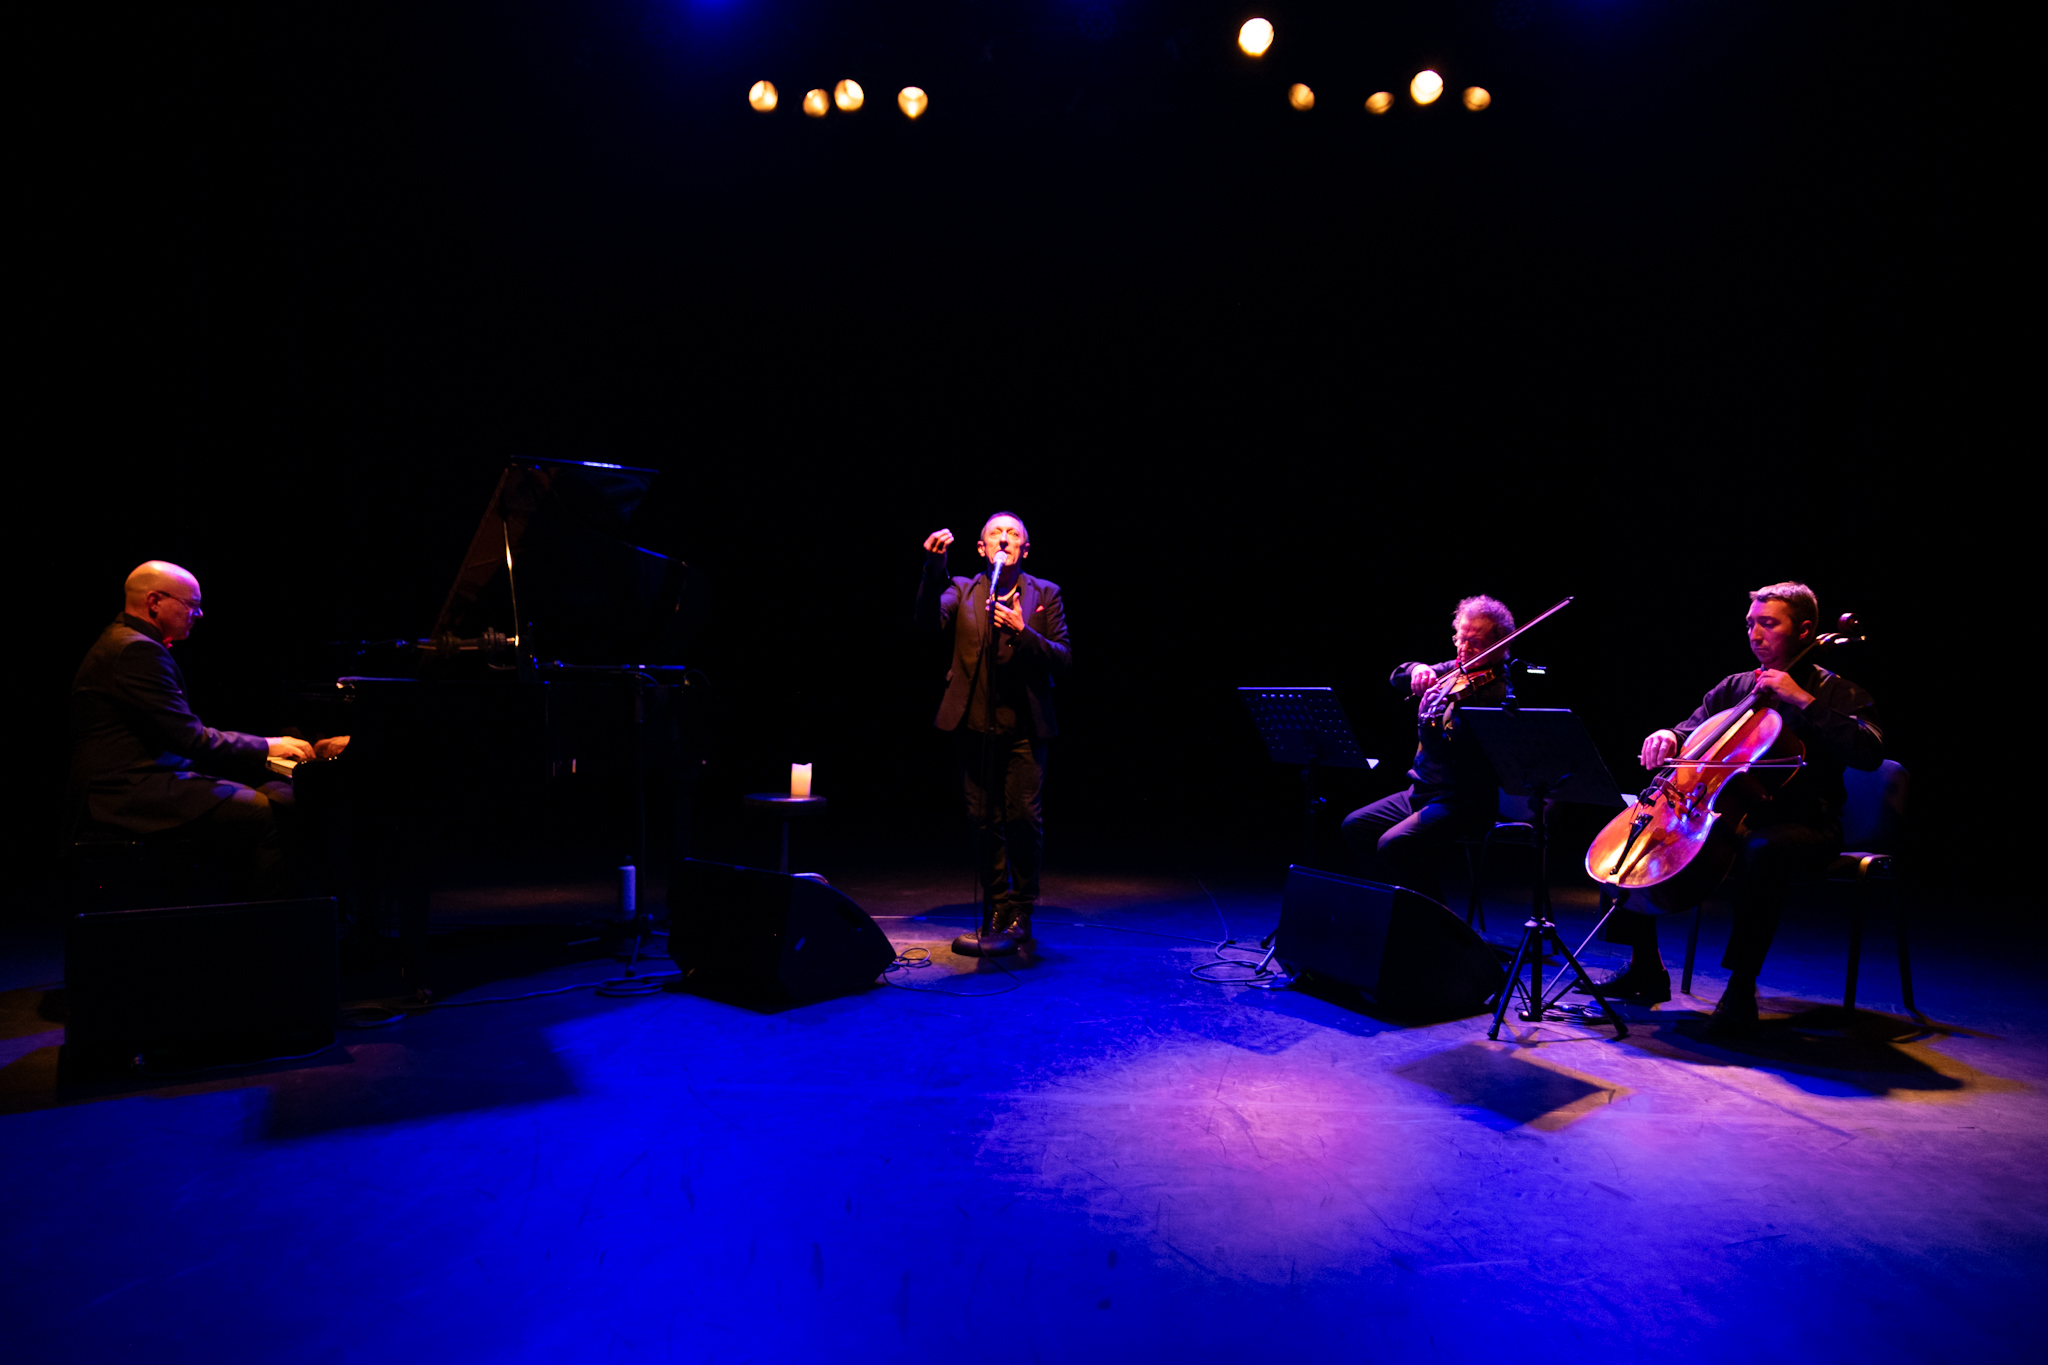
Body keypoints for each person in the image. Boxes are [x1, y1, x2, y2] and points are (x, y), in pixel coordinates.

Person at [1579, 582, 1882, 1035]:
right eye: (1750, 624)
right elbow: (1692, 731)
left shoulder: (1835, 691)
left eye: (1768, 624)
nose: (1755, 634)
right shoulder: (1737, 688)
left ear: (1804, 630)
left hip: (1806, 823)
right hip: (1729, 814)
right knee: (1635, 829)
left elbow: (1869, 751)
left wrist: (1801, 699)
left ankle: (1741, 989)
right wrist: (1669, 736)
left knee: (1764, 850)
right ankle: (1646, 969)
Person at [69, 561, 327, 893]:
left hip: (141, 781)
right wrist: (269, 745)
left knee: (268, 796)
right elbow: (190, 738)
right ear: (154, 602)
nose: (200, 614)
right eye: (192, 604)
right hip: (128, 792)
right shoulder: (135, 650)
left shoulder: (127, 641)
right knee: (272, 816)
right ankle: (267, 932)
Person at [915, 513, 1071, 948]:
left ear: (1025, 549)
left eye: (1014, 534)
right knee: (983, 822)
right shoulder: (962, 589)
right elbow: (928, 622)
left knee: (1023, 818)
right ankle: (997, 907)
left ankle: (1021, 910)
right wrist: (933, 569)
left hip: (1025, 728)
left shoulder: (1046, 594)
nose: (1004, 538)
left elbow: (1063, 658)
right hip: (974, 726)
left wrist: (1024, 632)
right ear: (981, 549)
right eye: (995, 534)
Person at [1341, 596, 1517, 895]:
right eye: (1459, 638)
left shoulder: (1495, 697)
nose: (1463, 649)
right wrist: (1418, 669)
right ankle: (1388, 906)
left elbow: (1450, 756)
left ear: (1498, 646)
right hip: (1421, 792)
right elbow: (1398, 677)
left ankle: (1433, 922)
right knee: (1355, 826)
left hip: (1463, 802)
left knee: (1393, 845)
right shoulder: (1457, 669)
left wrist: (1427, 723)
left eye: (1473, 643)